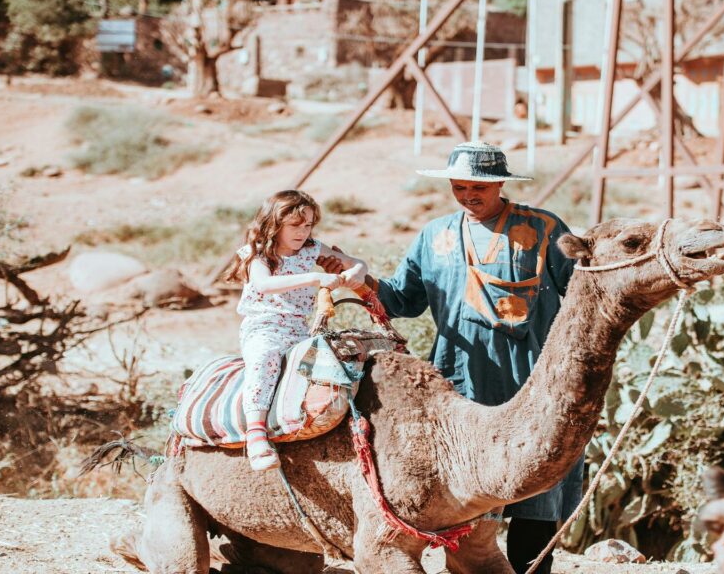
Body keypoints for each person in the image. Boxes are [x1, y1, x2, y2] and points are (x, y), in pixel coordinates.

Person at [327, 141, 582, 574]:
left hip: (530, 377)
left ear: (500, 183)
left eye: (478, 187)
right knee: (463, 495)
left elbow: (582, 294)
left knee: (537, 490)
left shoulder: (542, 228)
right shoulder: (434, 235)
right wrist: (359, 275)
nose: (468, 196)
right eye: (459, 187)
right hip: (460, 384)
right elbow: (402, 300)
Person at [225, 190, 367, 471]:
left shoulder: (312, 249)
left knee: (337, 361)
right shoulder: (258, 255)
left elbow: (357, 263)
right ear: (274, 224)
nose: (303, 231)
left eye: (308, 225)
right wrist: (316, 277)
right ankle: (256, 433)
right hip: (263, 326)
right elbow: (263, 285)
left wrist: (355, 273)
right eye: (295, 225)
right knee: (265, 358)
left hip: (299, 328)